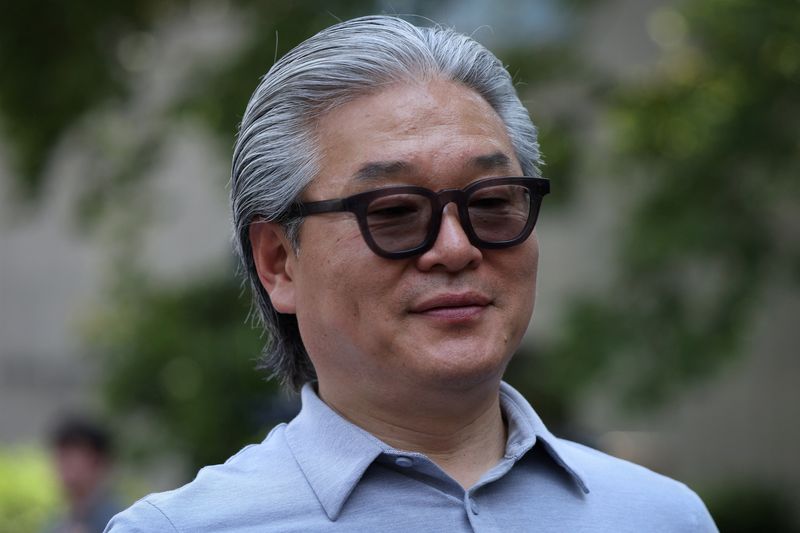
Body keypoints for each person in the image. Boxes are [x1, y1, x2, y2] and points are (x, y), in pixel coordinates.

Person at [106, 15, 718, 532]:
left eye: (490, 203)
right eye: (394, 212)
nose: (455, 248)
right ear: (279, 262)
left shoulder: (662, 517)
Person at [46, 417, 121, 533]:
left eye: (71, 456)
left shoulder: (119, 520)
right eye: (60, 456)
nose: (63, 465)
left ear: (98, 461)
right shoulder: (56, 523)